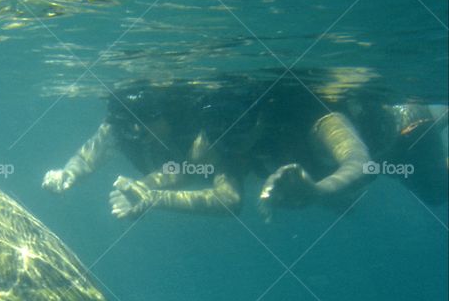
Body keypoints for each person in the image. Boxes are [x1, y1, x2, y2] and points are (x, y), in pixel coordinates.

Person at [42, 73, 383, 220]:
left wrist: (319, 191)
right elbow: (188, 174)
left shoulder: (309, 112)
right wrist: (144, 191)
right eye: (216, 134)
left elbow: (361, 163)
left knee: (435, 188)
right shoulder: (220, 134)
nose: (225, 144)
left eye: (237, 132)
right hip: (310, 178)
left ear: (262, 116)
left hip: (398, 139)